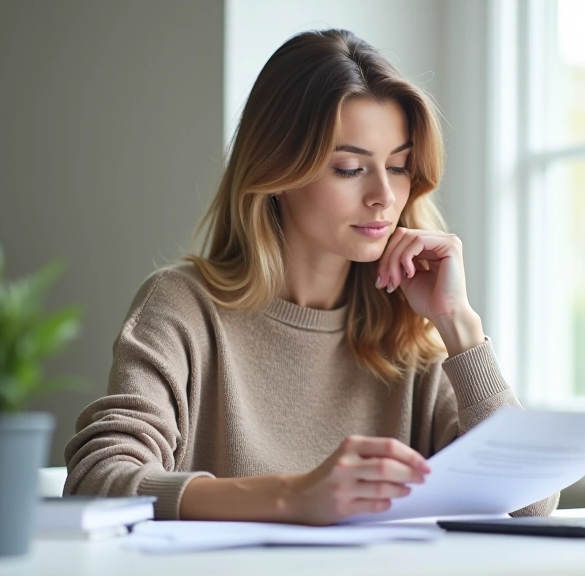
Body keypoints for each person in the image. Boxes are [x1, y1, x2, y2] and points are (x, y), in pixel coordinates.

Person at [63, 28, 559, 525]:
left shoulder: (408, 331)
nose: (384, 195)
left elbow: (532, 504)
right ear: (278, 173)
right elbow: (97, 479)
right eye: (349, 168)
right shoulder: (183, 308)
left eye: (400, 166)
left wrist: (459, 325)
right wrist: (291, 497)